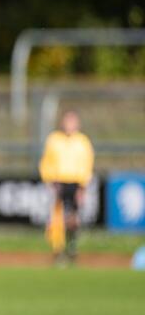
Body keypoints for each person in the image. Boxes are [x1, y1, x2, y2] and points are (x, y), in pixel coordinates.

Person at [39, 110, 94, 266]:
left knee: (72, 218)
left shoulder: (83, 142)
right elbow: (46, 162)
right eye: (67, 121)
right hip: (58, 182)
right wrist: (49, 180)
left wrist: (83, 186)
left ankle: (72, 246)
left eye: (72, 122)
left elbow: (87, 164)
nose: (69, 125)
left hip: (75, 183)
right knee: (56, 219)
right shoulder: (54, 140)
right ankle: (57, 249)